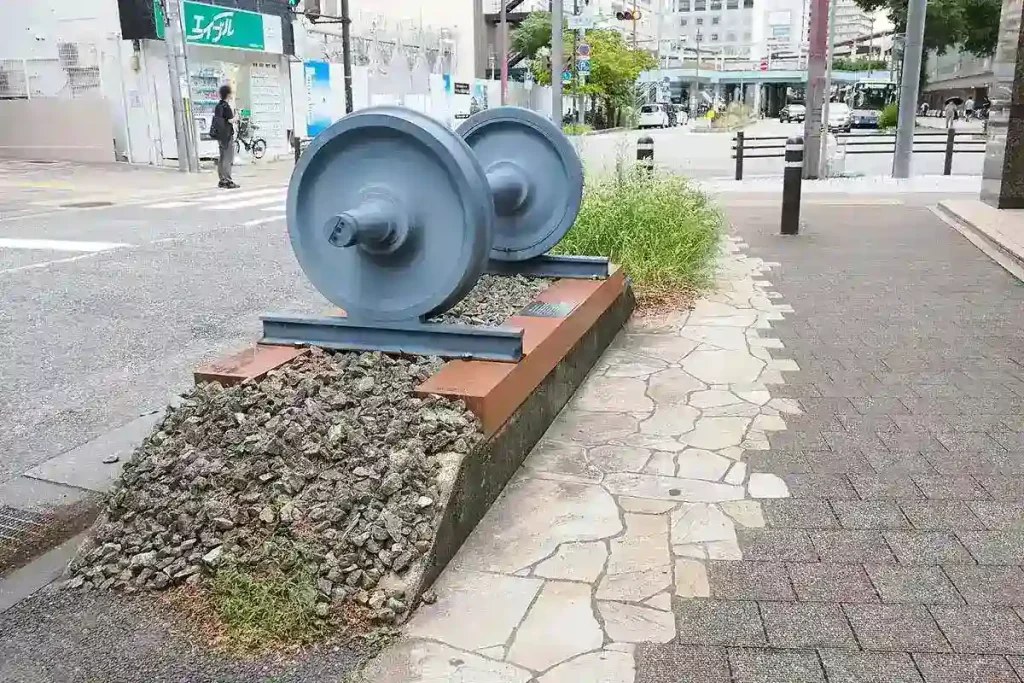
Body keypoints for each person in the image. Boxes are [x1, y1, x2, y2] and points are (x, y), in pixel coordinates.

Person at [212, 84, 239, 189]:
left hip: (220, 135)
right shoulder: (226, 106)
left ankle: (222, 179)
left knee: (222, 158)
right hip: (227, 135)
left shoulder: (218, 106)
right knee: (228, 158)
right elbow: (230, 120)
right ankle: (228, 180)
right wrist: (236, 117)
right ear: (228, 94)